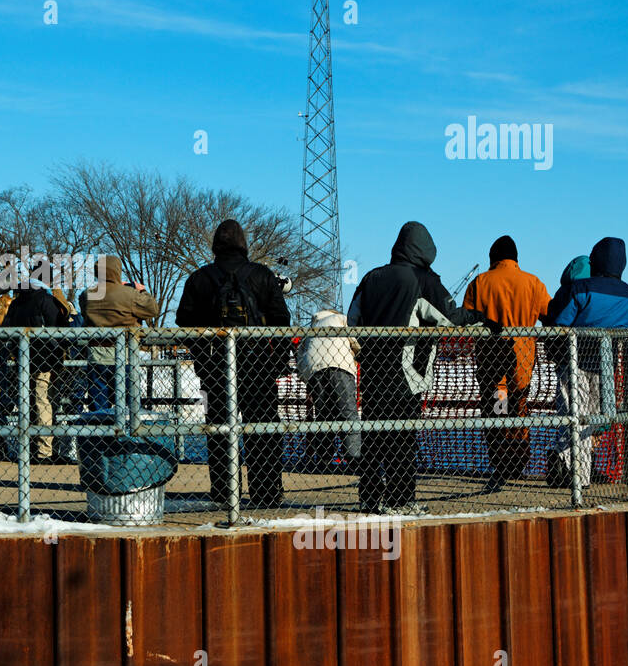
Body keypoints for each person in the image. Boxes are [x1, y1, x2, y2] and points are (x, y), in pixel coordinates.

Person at [346, 221, 492, 513]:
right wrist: (482, 319)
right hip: (407, 374)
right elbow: (449, 317)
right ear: (427, 249)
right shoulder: (424, 281)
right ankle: (401, 501)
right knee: (403, 437)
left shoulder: (371, 278)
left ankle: (370, 498)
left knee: (375, 436)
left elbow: (352, 321)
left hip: (374, 373)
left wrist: (364, 352)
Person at [176, 219, 292, 507]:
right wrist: (275, 361)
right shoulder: (262, 275)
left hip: (215, 371)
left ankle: (225, 492)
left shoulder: (199, 278)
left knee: (218, 429)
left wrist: (202, 356)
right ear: (243, 243)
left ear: (215, 244)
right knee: (263, 428)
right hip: (257, 368)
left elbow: (184, 321)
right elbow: (282, 321)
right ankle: (266, 493)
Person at [544, 237, 628, 489]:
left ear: (596, 259)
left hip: (575, 361)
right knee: (593, 418)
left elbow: (560, 322)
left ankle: (570, 472)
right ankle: (580, 474)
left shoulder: (580, 289)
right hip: (606, 365)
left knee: (572, 415)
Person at [461, 235, 551, 491]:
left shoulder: (480, 282)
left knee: (498, 409)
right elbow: (549, 313)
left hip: (493, 363)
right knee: (520, 409)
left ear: (493, 258)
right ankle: (518, 461)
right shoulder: (533, 283)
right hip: (522, 361)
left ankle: (501, 463)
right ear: (515, 258)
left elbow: (466, 316)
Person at [1, 270, 72, 461]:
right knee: (44, 403)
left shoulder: (16, 302)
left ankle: (29, 448)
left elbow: (6, 329)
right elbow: (61, 329)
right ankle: (44, 451)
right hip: (46, 360)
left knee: (28, 403)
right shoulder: (45, 300)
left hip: (23, 360)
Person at [79, 255, 160, 412]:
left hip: (97, 355)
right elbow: (152, 309)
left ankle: (102, 435)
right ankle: (129, 434)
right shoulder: (130, 294)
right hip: (125, 354)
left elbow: (85, 312)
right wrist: (141, 290)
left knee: (99, 407)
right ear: (117, 271)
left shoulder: (87, 295)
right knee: (131, 405)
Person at [296, 308, 361, 471]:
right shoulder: (340, 319)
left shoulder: (312, 327)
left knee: (324, 415)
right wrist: (358, 354)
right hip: (339, 365)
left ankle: (324, 459)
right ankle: (354, 459)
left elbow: (301, 353)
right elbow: (356, 342)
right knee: (348, 413)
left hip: (313, 369)